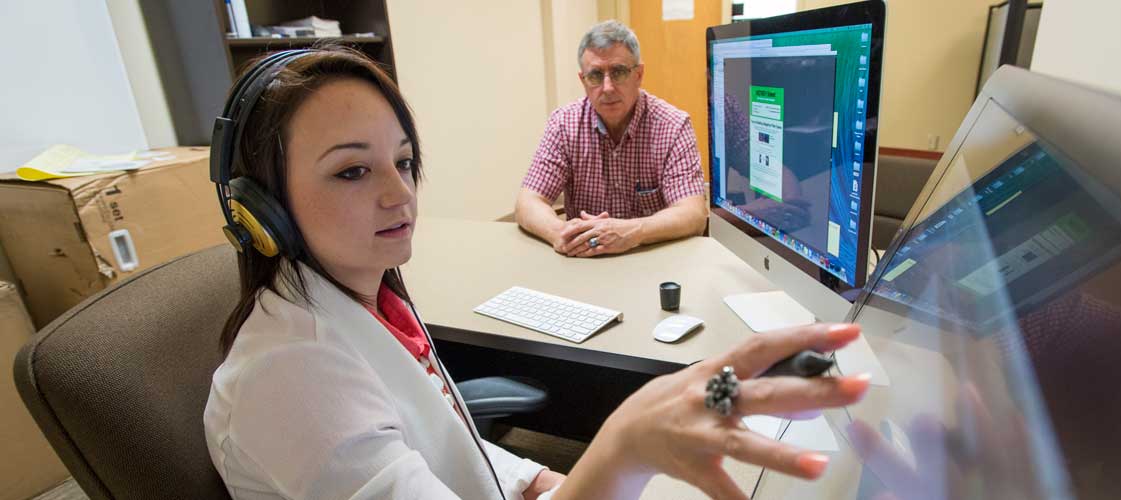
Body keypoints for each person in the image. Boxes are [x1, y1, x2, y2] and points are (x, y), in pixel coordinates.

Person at [204, 45, 871, 500]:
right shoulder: (291, 376)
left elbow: (437, 441)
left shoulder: (366, 304)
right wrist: (618, 448)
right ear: (260, 207)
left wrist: (531, 479)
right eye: (352, 170)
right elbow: (530, 198)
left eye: (403, 162)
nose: (400, 194)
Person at [515, 21, 708, 258]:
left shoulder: (673, 125)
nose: (607, 88)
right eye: (595, 75)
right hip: (583, 261)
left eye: (618, 72)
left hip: (652, 258)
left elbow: (693, 213)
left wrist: (632, 231)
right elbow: (528, 201)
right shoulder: (564, 124)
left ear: (639, 74)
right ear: (583, 80)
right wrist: (560, 233)